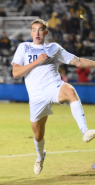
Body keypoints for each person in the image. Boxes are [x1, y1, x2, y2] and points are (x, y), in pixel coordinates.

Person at [11, 19, 95, 175]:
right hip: (36, 96)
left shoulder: (54, 48)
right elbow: (16, 73)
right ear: (31, 32)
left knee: (71, 91)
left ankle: (85, 131)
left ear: (46, 32)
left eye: (40, 30)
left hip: (53, 87)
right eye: (34, 30)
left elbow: (77, 62)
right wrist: (36, 62)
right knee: (38, 134)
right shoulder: (24, 47)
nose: (37, 33)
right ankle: (40, 156)